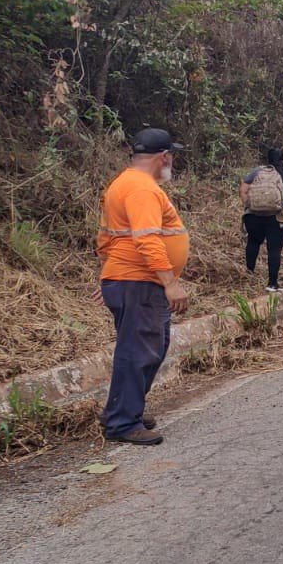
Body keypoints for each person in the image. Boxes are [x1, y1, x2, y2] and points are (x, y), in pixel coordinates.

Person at [93, 128, 190, 446]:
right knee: (139, 351)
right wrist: (170, 283)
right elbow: (146, 238)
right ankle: (122, 422)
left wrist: (111, 275)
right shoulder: (141, 189)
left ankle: (121, 410)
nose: (170, 161)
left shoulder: (126, 183)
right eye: (171, 156)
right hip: (139, 281)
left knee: (148, 347)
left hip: (129, 279)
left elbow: (109, 238)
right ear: (164, 157)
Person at [239, 147, 283, 292]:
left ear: (267, 159)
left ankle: (249, 274)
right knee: (274, 249)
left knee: (253, 243)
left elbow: (243, 190)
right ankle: (272, 284)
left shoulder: (256, 171)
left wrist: (250, 204)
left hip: (253, 216)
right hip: (277, 217)